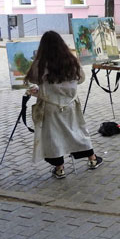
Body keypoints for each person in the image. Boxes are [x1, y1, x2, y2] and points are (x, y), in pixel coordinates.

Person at [24, 31, 102, 179]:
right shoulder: (71, 61)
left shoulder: (40, 63)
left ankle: (60, 169)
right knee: (77, 131)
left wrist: (43, 88)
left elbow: (34, 78)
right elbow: (80, 79)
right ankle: (92, 159)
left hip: (50, 106)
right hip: (70, 104)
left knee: (54, 137)